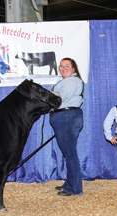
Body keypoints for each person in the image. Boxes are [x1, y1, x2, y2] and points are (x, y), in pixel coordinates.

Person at [50, 58, 84, 196]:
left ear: (74, 68)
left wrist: (49, 94)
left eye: (67, 66)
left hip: (66, 117)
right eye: (61, 66)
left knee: (70, 154)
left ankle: (75, 189)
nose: (63, 68)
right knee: (69, 153)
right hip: (66, 117)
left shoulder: (71, 81)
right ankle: (70, 184)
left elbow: (63, 96)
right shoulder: (67, 80)